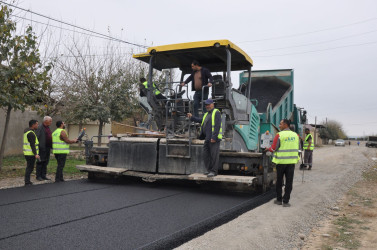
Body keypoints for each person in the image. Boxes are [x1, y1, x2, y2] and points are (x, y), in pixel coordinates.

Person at [266, 119, 300, 207]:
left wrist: (267, 149)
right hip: (291, 162)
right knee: (289, 182)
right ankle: (286, 201)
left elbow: (273, 148)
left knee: (279, 181)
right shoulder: (296, 135)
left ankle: (278, 200)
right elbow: (299, 149)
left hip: (281, 162)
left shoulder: (279, 135)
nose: (279, 126)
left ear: (285, 125)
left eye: (280, 124)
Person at [187, 99, 222, 177]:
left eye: (209, 104)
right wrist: (192, 117)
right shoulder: (207, 114)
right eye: (206, 105)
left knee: (214, 156)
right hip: (207, 138)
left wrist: (214, 137)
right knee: (206, 155)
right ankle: (209, 170)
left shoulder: (216, 112)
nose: (207, 106)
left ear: (213, 104)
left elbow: (217, 126)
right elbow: (201, 120)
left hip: (214, 139)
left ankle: (213, 171)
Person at [23, 120, 40, 185]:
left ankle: (27, 181)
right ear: (33, 125)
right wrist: (36, 154)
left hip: (28, 153)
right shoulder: (30, 133)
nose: (37, 125)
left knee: (30, 167)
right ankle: (27, 181)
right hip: (30, 154)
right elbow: (32, 144)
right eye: (37, 124)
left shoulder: (27, 132)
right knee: (30, 167)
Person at [35, 116, 53, 181]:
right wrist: (39, 146)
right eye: (50, 121)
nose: (51, 122)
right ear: (45, 121)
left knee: (45, 162)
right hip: (42, 148)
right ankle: (38, 176)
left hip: (47, 147)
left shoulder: (47, 127)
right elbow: (37, 137)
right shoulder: (40, 127)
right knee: (40, 162)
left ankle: (44, 175)